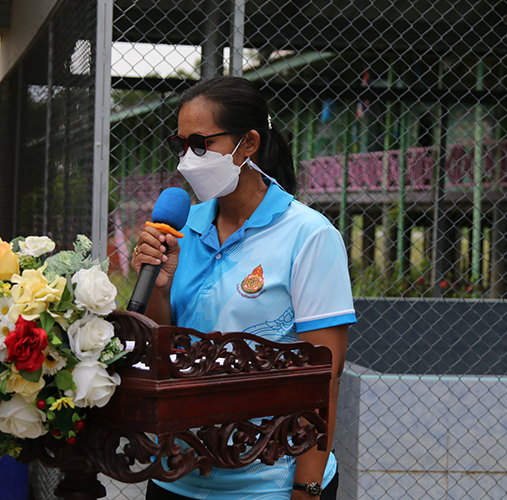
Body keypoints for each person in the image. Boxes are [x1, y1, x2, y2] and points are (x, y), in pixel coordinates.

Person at [131, 76, 356, 500]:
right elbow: (165, 352)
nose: (186, 160)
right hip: (176, 474)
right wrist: (158, 289)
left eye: (200, 144)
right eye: (179, 145)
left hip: (265, 484)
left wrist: (307, 487)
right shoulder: (182, 230)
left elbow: (323, 374)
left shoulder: (308, 235)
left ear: (248, 143)